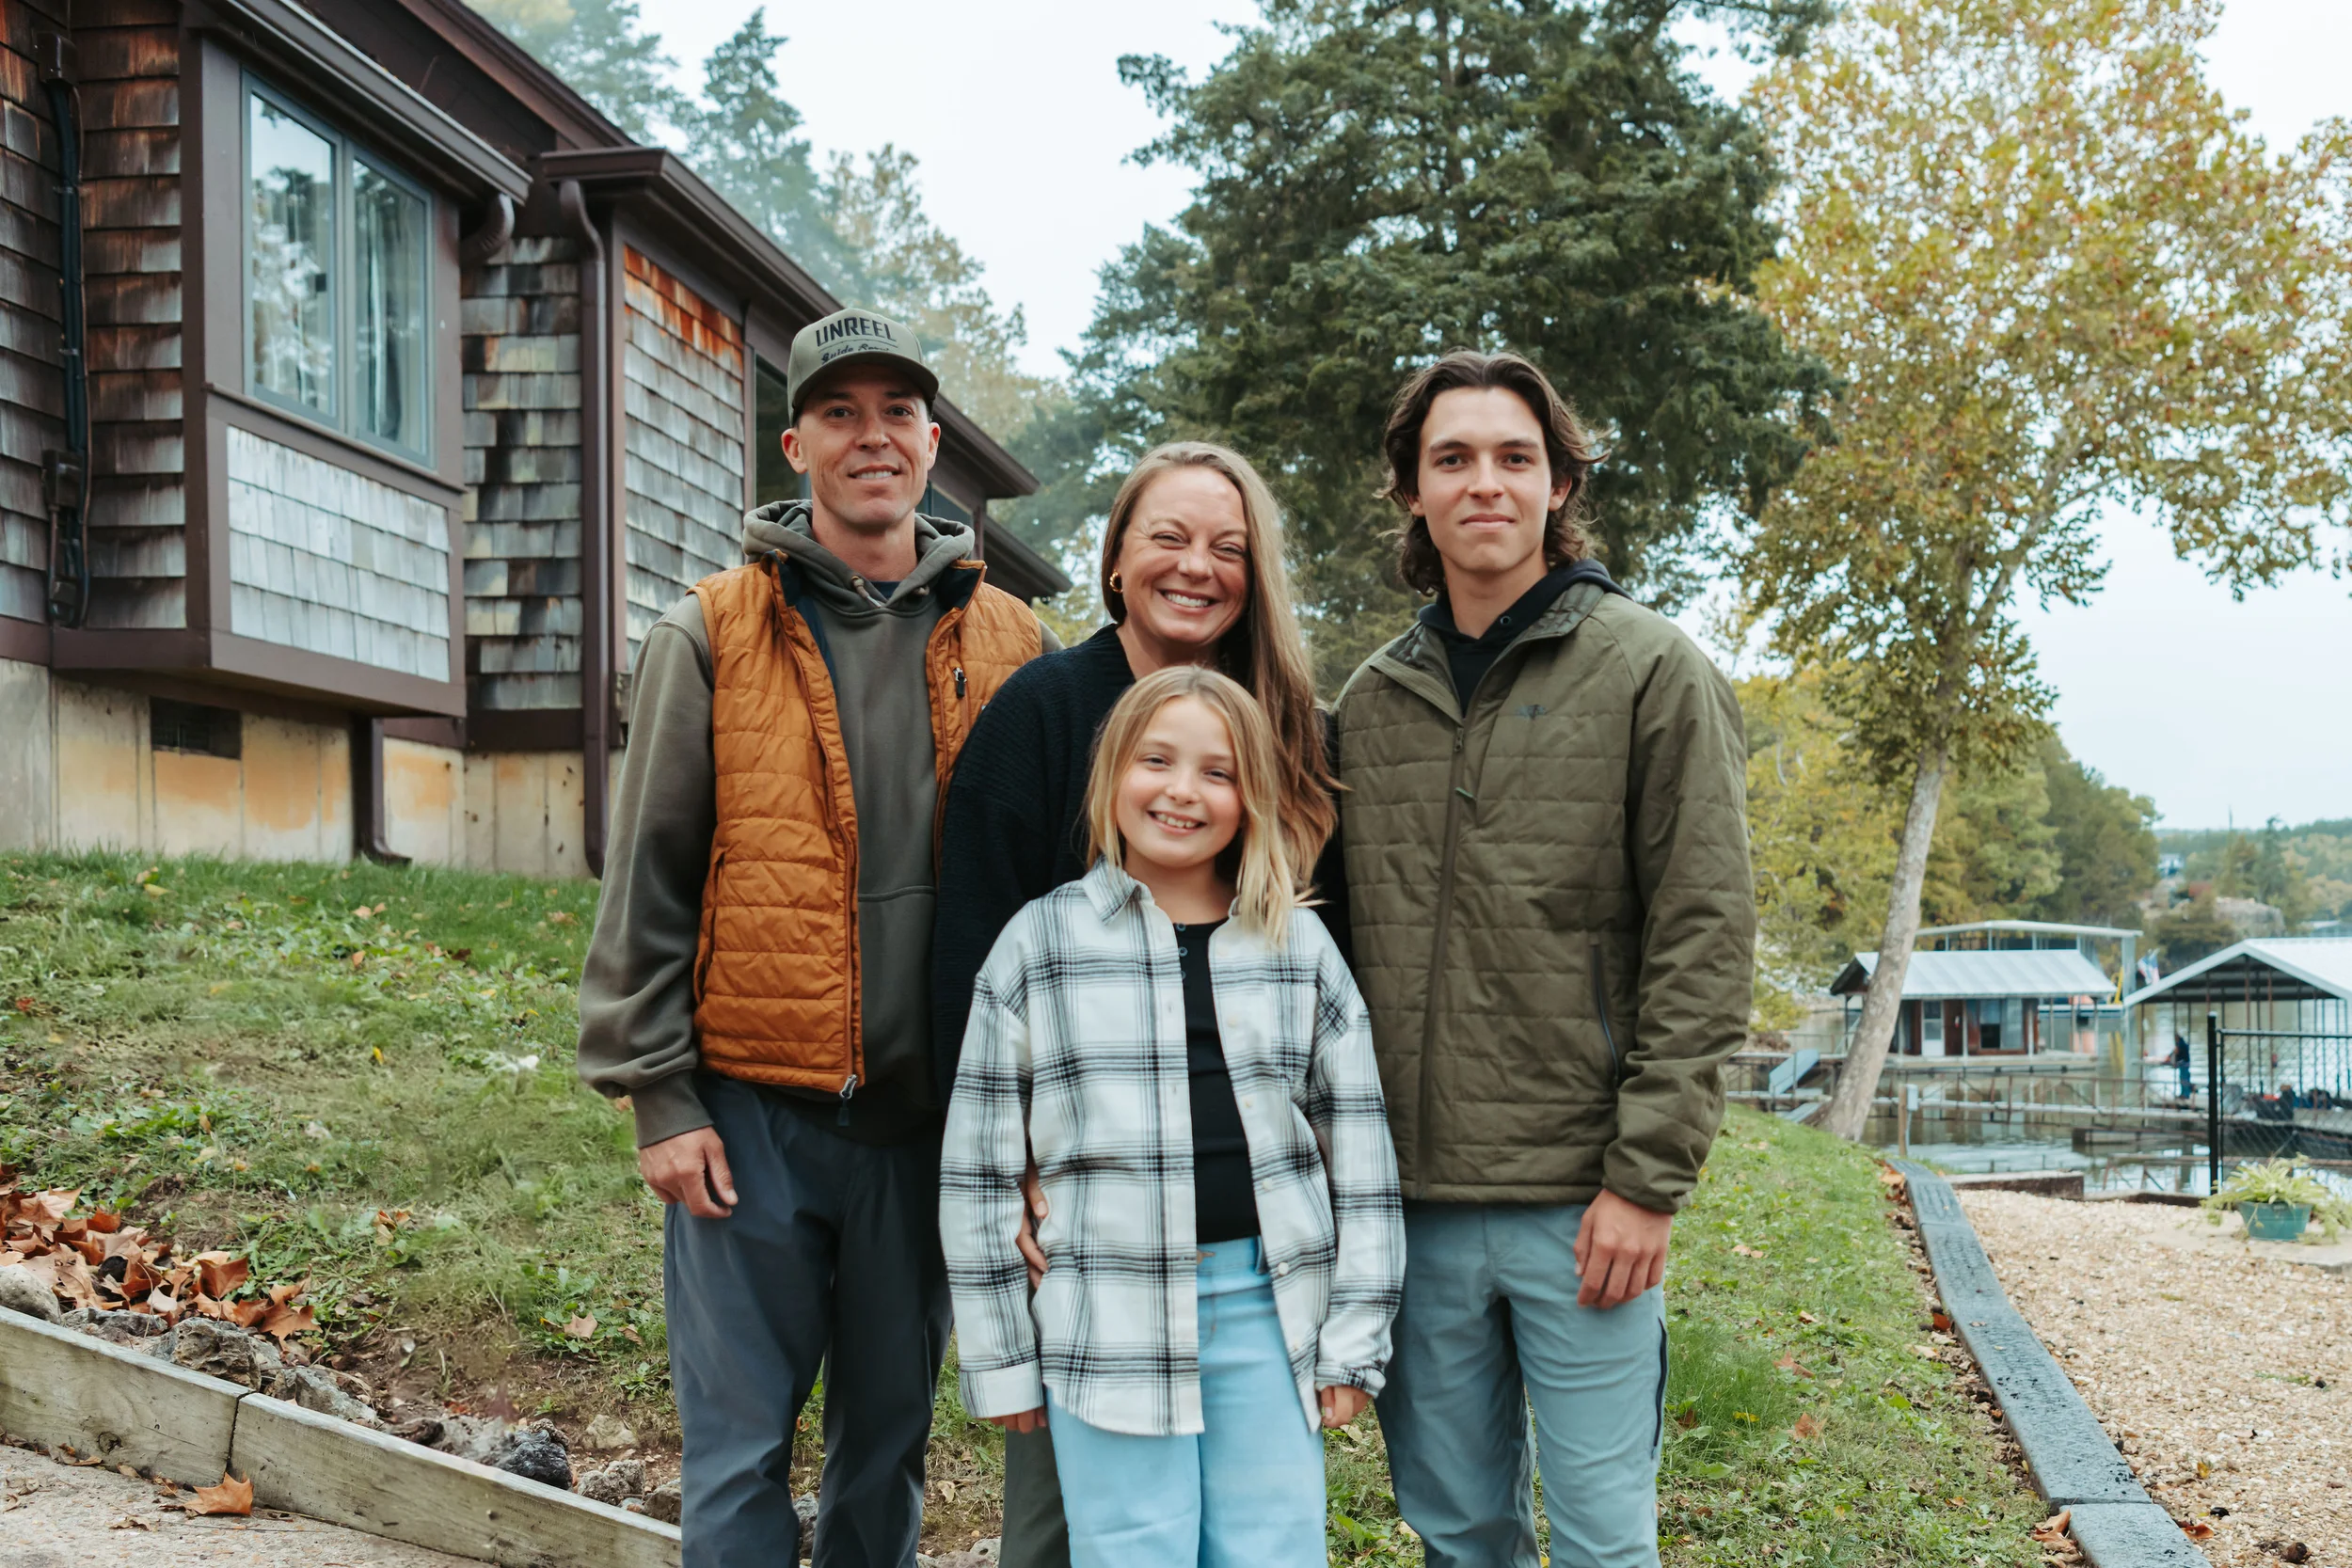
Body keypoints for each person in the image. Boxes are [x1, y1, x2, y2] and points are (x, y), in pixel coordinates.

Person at [576, 308, 1052, 1568]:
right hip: (750, 1122)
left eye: (897, 412)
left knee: (884, 1451)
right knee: (736, 1456)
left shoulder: (1011, 640)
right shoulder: (713, 630)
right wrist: (659, 1095)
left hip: (925, 1124)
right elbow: (652, 874)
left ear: (934, 441)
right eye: (841, 412)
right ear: (798, 443)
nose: (872, 436)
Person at [1331, 350, 1756, 1568]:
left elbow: (1704, 932)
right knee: (1459, 1533)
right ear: (1412, 490)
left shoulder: (1653, 671)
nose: (1484, 483)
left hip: (1586, 1205)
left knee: (1605, 1537)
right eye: (1451, 458)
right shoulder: (1370, 700)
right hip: (1414, 1206)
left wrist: (1648, 1175)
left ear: (1559, 480)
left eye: (1514, 457)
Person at [930, 440, 1343, 1568]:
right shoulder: (1044, 712)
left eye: (1226, 545)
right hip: (1090, 1230)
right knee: (1080, 1528)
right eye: (1166, 535)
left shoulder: (1294, 724)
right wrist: (1014, 1168)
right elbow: (973, 960)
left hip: (1249, 1253)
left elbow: (1322, 1010)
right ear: (1116, 557)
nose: (1194, 565)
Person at [940, 666, 1404, 1568]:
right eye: (1157, 759)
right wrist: (999, 1355)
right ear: (1114, 773)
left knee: (1271, 1548)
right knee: (1132, 1551)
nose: (1183, 790)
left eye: (1217, 772)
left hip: (1268, 1308)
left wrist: (1355, 1338)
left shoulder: (1295, 944)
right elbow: (979, 1165)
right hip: (1103, 1313)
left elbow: (1361, 1152)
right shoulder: (1039, 944)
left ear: (1250, 799)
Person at [2173, 1033, 2193, 1101]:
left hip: (2184, 1064)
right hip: (2185, 1064)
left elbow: (2177, 1052)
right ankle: (2183, 1093)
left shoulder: (2180, 1044)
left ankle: (2185, 1094)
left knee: (2184, 1079)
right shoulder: (2182, 1043)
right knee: (2183, 1079)